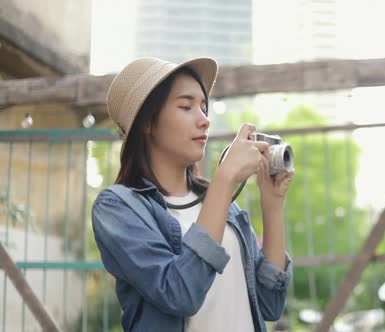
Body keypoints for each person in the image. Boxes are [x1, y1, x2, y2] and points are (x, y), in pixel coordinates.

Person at [92, 57, 294, 332]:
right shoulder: (118, 207)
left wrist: (272, 204)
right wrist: (224, 180)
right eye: (186, 106)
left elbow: (271, 304)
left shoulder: (221, 204)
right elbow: (180, 293)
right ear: (147, 123)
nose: (204, 121)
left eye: (203, 107)